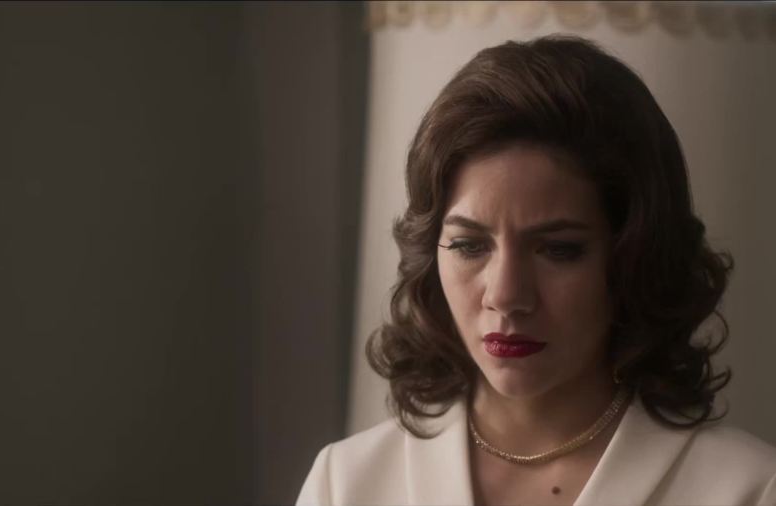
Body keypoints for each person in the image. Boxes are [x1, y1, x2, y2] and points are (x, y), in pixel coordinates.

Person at [297, 35, 776, 506]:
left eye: (559, 250)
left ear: (634, 257)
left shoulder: (749, 489)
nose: (506, 295)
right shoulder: (348, 484)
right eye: (469, 245)